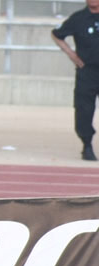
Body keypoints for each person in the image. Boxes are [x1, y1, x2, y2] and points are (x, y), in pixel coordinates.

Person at [52, 0, 99, 161]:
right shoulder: (78, 18)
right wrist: (71, 55)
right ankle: (86, 145)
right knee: (84, 110)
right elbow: (57, 35)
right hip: (87, 71)